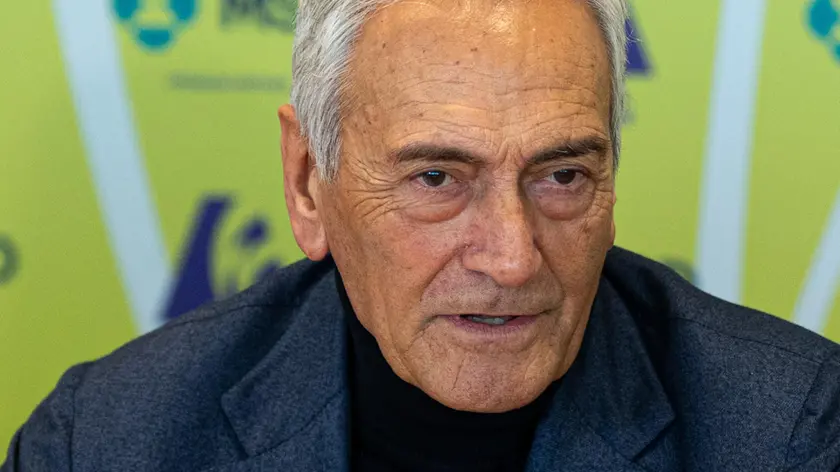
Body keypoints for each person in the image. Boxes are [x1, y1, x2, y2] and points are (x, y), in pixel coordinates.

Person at [5, 0, 840, 470]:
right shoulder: (108, 440)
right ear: (307, 182)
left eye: (561, 176)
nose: (512, 258)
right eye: (437, 178)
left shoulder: (789, 433)